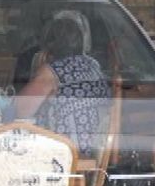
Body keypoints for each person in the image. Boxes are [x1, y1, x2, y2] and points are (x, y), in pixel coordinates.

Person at [14, 12, 112, 156]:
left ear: (49, 46)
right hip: (92, 153)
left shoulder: (52, 72)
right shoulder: (93, 65)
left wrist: (38, 71)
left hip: (64, 155)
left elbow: (20, 110)